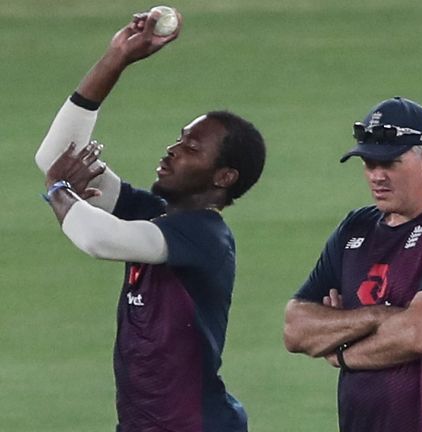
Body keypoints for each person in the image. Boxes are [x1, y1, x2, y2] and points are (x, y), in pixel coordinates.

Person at [35, 10, 265, 432]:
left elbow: (100, 240)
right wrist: (116, 59)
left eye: (191, 147)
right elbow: (54, 158)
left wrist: (57, 191)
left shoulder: (205, 236)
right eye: (179, 137)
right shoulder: (152, 213)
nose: (173, 149)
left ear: (223, 177)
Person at [283, 96, 422, 432]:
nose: (376, 176)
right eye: (369, 164)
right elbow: (295, 328)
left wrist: (341, 350)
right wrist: (378, 315)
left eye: (390, 163)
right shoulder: (354, 229)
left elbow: (420, 334)